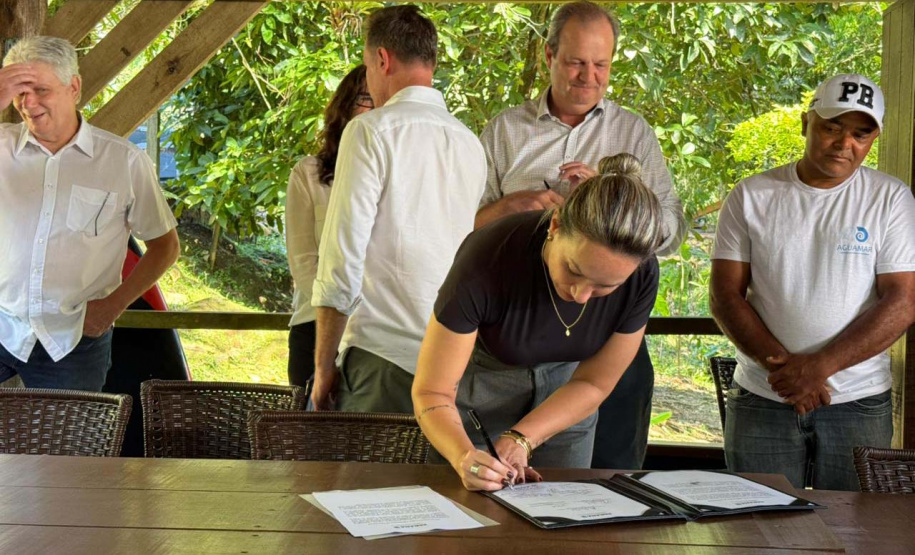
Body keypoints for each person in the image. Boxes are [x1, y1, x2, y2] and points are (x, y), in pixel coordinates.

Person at [476, 1, 687, 471]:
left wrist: (610, 202)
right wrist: (510, 208)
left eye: (601, 64)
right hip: (516, 333)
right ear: (547, 56)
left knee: (610, 479)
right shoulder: (505, 130)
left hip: (612, 328)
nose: (588, 76)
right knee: (497, 473)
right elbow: (463, 228)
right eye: (575, 62)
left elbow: (672, 228)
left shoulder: (633, 132)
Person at [711, 73, 915, 491]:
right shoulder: (752, 195)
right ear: (806, 123)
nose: (845, 144)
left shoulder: (891, 198)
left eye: (861, 133)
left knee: (853, 533)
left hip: (858, 400)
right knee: (757, 529)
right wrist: (786, 374)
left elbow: (903, 300)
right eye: (832, 127)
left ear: (873, 138)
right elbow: (724, 295)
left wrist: (819, 368)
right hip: (763, 395)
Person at [413, 153, 665, 491]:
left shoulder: (642, 275)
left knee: (561, 517)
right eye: (574, 270)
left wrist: (522, 438)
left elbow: (593, 383)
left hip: (568, 400)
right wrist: (462, 456)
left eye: (606, 287)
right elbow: (433, 390)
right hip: (480, 394)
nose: (580, 295)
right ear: (556, 226)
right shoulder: (488, 256)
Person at [310, 6, 486, 412]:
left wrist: (322, 368)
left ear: (382, 59)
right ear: (432, 62)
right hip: (450, 366)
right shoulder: (469, 143)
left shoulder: (370, 131)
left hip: (381, 359)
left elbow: (341, 263)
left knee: (368, 478)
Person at [0, 36, 179, 391]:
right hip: (4, 324)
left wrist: (113, 306)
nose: (28, 103)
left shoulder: (123, 162)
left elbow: (165, 246)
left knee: (69, 446)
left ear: (74, 88)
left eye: (40, 89)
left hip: (73, 341)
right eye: (19, 92)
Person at [285, 65, 373, 389]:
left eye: (383, 98)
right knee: (308, 438)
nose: (375, 105)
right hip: (315, 327)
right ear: (344, 106)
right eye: (365, 97)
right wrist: (340, 317)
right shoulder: (307, 173)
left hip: (377, 341)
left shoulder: (405, 177)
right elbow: (303, 264)